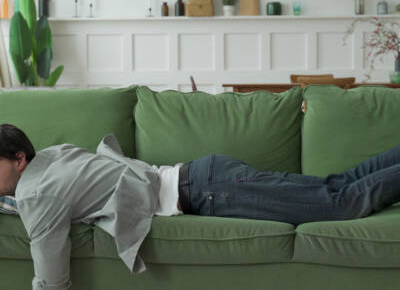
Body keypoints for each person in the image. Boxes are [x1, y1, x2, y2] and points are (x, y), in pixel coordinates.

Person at [1, 123, 400, 289]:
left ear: (19, 159)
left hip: (210, 190)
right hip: (206, 176)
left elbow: (51, 279)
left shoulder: (38, 193)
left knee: (343, 202)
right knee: (339, 186)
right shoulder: (52, 157)